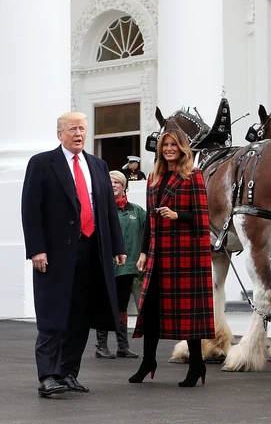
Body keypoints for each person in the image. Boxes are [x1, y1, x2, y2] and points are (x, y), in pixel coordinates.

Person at [21, 111, 126, 397]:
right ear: (60, 134)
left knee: (81, 317)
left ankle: (68, 374)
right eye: (72, 129)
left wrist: (117, 246)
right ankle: (48, 377)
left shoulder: (98, 165)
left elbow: (107, 209)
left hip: (93, 251)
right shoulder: (42, 163)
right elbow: (31, 210)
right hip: (55, 254)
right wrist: (36, 250)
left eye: (82, 129)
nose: (79, 134)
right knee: (53, 316)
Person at [129, 128, 215, 387]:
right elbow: (149, 220)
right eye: (165, 144)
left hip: (184, 255)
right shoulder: (153, 177)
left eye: (173, 145)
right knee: (151, 309)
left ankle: (197, 364)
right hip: (158, 253)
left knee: (189, 314)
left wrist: (178, 215)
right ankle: (148, 361)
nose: (168, 149)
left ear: (182, 148)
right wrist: (143, 251)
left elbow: (202, 219)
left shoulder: (193, 175)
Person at [94, 171, 146, 360]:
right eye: (110, 182)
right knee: (105, 305)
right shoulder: (100, 211)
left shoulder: (136, 211)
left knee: (122, 307)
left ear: (124, 186)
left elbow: (149, 232)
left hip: (127, 268)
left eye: (117, 182)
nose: (113, 185)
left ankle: (122, 346)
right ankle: (101, 345)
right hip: (105, 267)